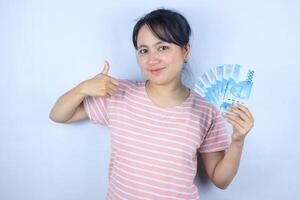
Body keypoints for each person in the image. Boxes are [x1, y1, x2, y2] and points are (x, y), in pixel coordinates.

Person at [49, 8, 254, 200]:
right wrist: (82, 88)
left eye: (162, 47)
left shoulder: (206, 112)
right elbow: (59, 115)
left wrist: (237, 141)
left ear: (185, 50)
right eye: (143, 50)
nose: (152, 59)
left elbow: (221, 180)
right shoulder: (119, 93)